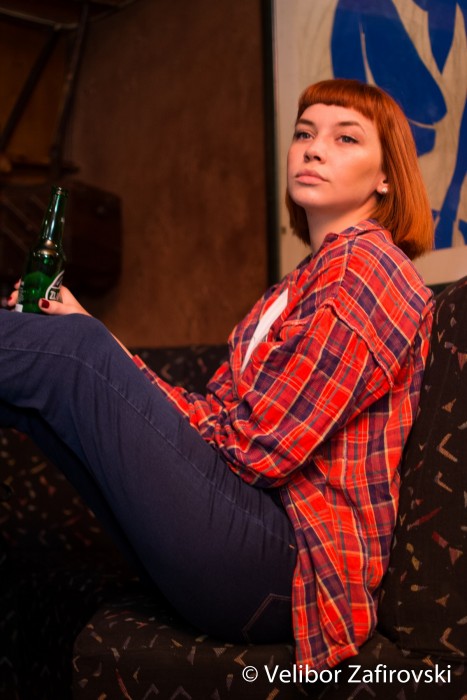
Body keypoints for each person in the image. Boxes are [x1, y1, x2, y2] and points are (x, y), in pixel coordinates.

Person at [2, 78, 434, 672]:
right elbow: (215, 417)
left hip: (291, 568)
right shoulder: (292, 289)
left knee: (74, 352)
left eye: (345, 138)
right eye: (304, 133)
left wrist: (95, 356)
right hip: (246, 538)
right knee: (46, 392)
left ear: (386, 176)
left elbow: (261, 447)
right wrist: (101, 351)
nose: (313, 148)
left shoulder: (369, 268)